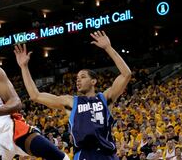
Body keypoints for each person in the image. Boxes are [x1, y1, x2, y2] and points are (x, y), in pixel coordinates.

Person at [14, 31, 132, 160]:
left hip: (107, 154)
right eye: (77, 78)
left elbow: (126, 74)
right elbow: (35, 95)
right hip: (83, 154)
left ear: (93, 81)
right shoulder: (71, 102)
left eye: (83, 77)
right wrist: (24, 67)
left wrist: (108, 48)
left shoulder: (105, 98)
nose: (78, 80)